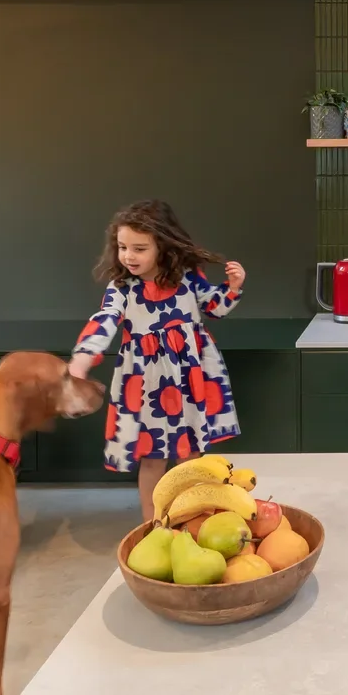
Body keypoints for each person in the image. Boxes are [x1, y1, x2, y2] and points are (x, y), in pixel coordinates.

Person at [68, 200, 247, 519]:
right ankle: (153, 521)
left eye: (139, 248)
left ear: (163, 247)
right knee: (153, 457)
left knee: (192, 454)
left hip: (190, 378)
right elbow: (106, 317)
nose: (128, 256)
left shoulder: (189, 278)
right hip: (149, 384)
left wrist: (232, 288)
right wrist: (85, 354)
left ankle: (194, 517)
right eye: (123, 247)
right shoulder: (122, 287)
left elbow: (214, 308)